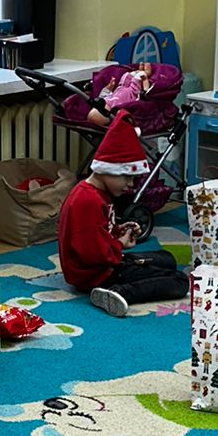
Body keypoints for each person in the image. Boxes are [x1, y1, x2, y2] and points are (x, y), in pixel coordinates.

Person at [56, 111, 187, 315]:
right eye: (126, 177)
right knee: (179, 281)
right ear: (108, 169)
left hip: (104, 264)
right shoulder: (88, 201)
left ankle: (121, 283)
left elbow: (97, 232)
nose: (130, 185)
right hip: (97, 275)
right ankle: (119, 293)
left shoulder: (97, 193)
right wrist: (120, 244)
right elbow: (93, 253)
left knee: (167, 259)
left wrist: (118, 231)